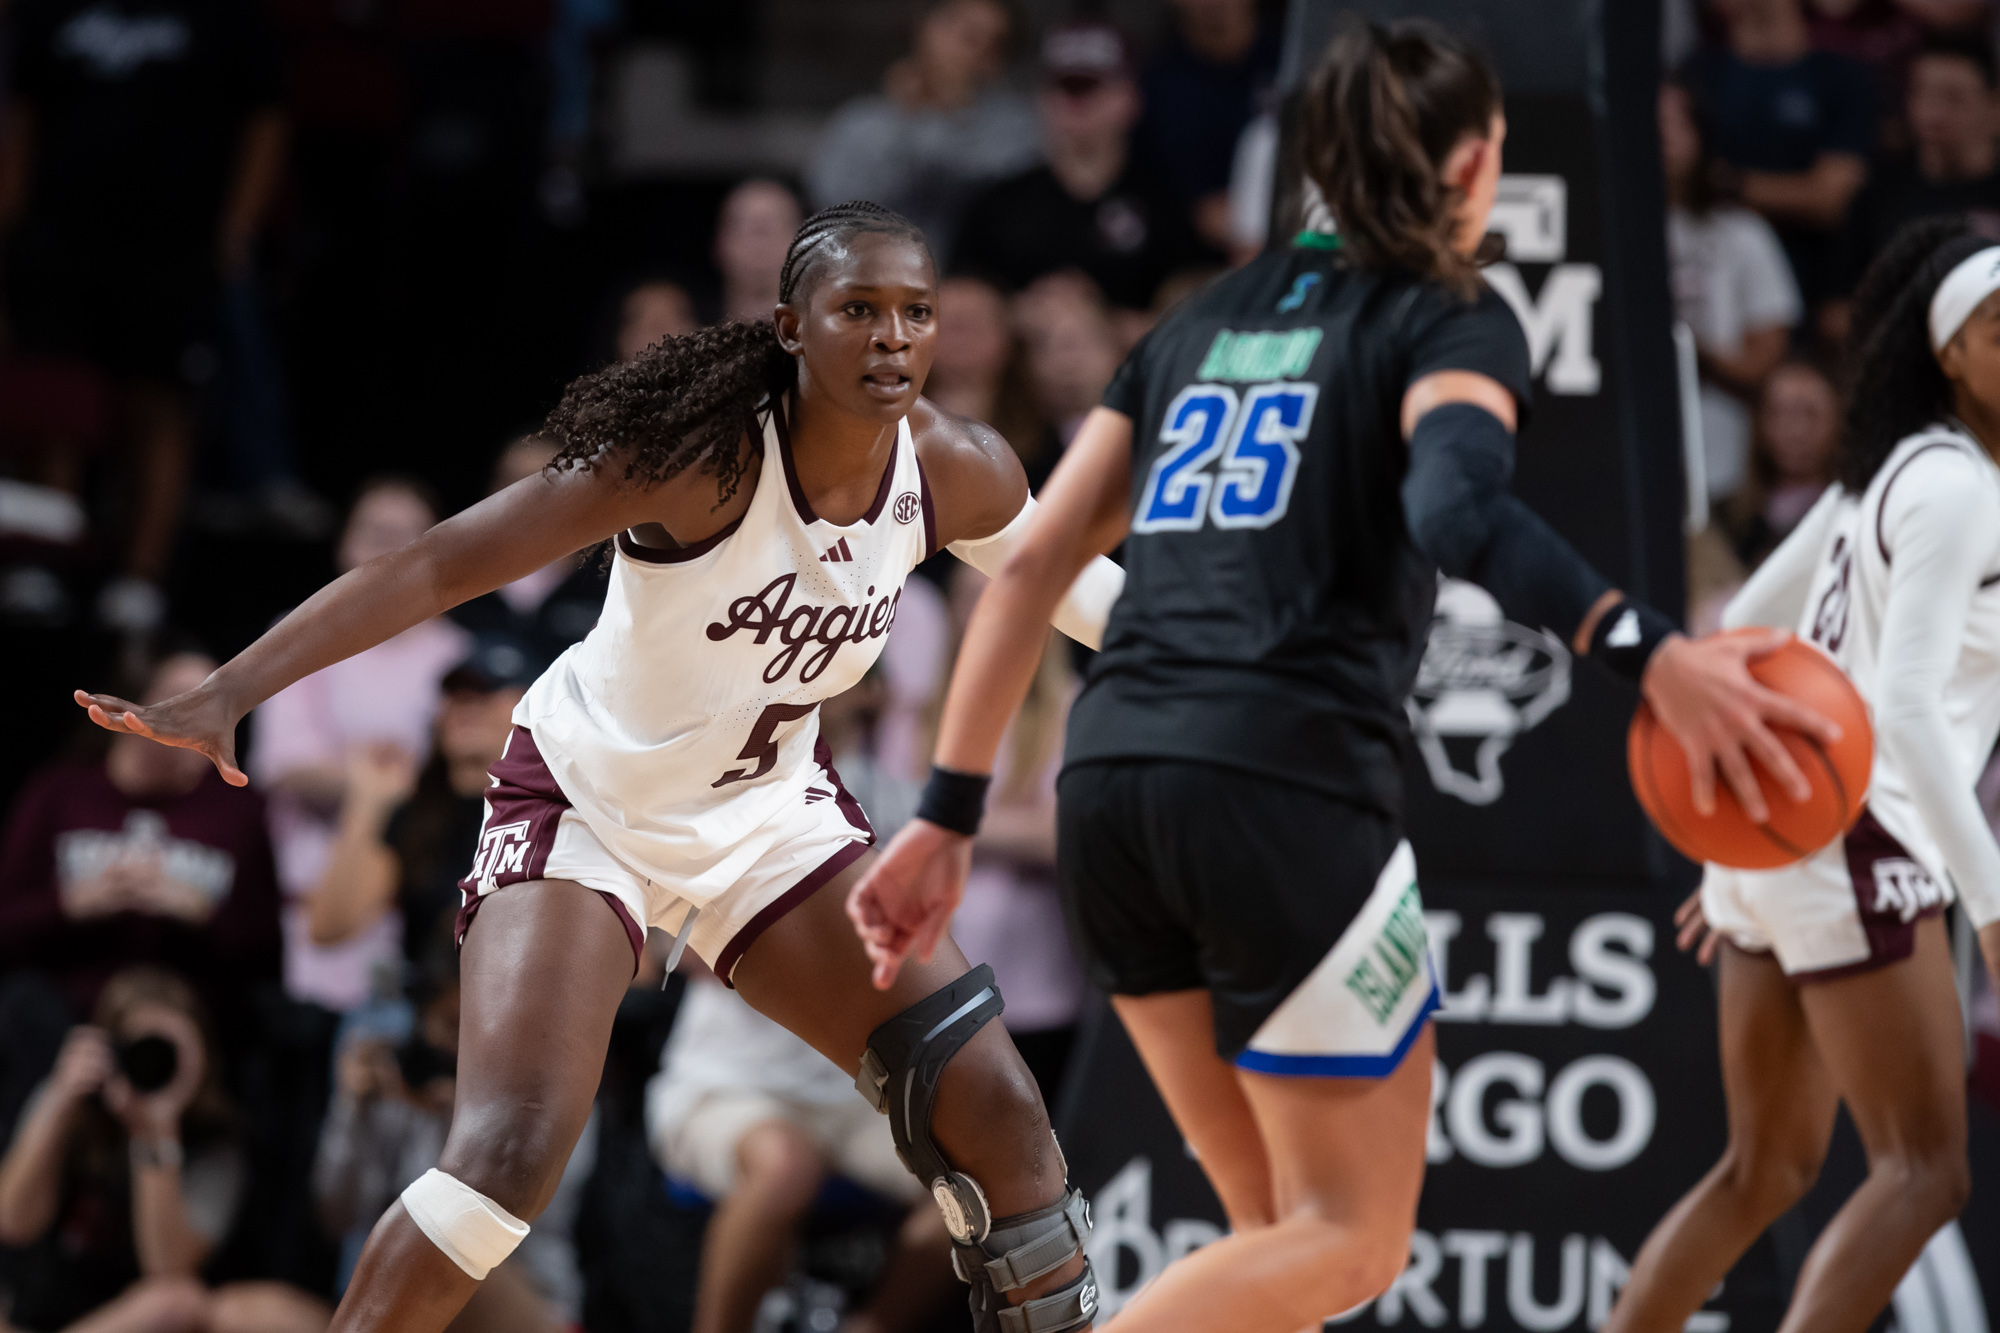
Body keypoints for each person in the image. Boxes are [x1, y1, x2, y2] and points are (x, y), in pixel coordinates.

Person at [848, 22, 1845, 1332]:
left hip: (1111, 793)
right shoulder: (1447, 311)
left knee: (1273, 1241)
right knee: (1349, 1243)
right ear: (1477, 161)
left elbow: (1028, 566)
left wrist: (946, 813)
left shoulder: (1199, 316)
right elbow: (1459, 513)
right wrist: (1654, 653)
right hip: (1282, 786)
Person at [75, 199, 1128, 1333]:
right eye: (857, 309)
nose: (891, 338)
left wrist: (1263, 688)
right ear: (787, 325)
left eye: (914, 313)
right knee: (506, 1156)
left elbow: (1096, 603)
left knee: (998, 1110)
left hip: (770, 820)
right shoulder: (692, 463)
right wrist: (233, 687)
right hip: (590, 807)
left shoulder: (956, 469)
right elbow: (435, 565)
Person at [1607, 215, 2000, 1333]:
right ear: (1944, 354)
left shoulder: (1874, 474)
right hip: (1864, 828)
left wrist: (1746, 823)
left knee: (1763, 1170)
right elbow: (1912, 715)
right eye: (1994, 323)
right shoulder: (1957, 487)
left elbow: (1744, 619)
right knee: (1926, 1170)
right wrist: (1989, 904)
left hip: (1795, 831)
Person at [0, 0, 287, 631]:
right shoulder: (54, 13)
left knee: (158, 408)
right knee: (56, 406)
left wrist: (237, 227)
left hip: (172, 249)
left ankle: (138, 581)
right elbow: (23, 113)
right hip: (59, 240)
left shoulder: (228, 17)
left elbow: (265, 116)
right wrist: (11, 222)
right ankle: (41, 565)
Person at [0, 966, 329, 1333]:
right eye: (140, 1048)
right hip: (36, 1311)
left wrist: (155, 1131)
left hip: (131, 1321)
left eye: (171, 1052)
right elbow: (13, 1222)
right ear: (110, 1049)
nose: (153, 1065)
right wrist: (58, 1098)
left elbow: (167, 1271)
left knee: (181, 1305)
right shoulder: (74, 1109)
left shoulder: (216, 1144)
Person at [251, 478, 469, 1014]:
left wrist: (360, 773)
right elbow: (284, 765)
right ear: (344, 542)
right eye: (373, 532)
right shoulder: (294, 636)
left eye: (405, 535)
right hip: (298, 895)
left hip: (418, 896)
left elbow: (467, 774)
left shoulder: (457, 654)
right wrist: (389, 779)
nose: (385, 549)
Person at [645, 963, 958, 1333]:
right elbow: (681, 954)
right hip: (731, 1083)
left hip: (862, 1094)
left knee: (973, 1183)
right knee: (785, 1168)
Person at [0, 652, 282, 1037]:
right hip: (66, 1014)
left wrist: (203, 915)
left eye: (216, 704)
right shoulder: (59, 793)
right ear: (136, 708)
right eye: (185, 700)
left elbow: (267, 950)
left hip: (197, 1019)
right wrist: (68, 906)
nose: (205, 718)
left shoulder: (237, 811)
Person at [314, 959, 586, 1333]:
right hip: (401, 1298)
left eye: (472, 1026)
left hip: (529, 1303)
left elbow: (524, 1227)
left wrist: (467, 1124)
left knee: (441, 1253)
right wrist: (352, 1113)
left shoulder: (554, 1089)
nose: (457, 1047)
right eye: (448, 1025)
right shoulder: (400, 1075)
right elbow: (338, 1218)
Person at [306, 635, 541, 967]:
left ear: (534, 708)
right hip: (430, 1006)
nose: (466, 707)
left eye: (485, 694)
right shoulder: (419, 813)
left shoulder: (556, 810)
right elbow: (328, 928)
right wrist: (367, 804)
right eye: (455, 697)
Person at [954, 22, 1202, 317]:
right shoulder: (996, 208)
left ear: (1130, 99)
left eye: (1089, 86)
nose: (1074, 101)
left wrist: (1099, 320)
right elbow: (959, 304)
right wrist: (1026, 313)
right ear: (1041, 99)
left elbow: (1195, 313)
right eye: (1062, 86)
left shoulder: (1168, 204)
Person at [804, 0, 1039, 257]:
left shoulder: (1017, 128)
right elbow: (834, 210)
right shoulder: (861, 121)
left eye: (980, 41)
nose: (958, 45)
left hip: (971, 287)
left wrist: (946, 110)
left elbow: (1002, 197)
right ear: (924, 27)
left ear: (996, 63)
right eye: (954, 24)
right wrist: (909, 118)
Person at [1678, 0, 1874, 309]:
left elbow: (1831, 200)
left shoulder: (1841, 77)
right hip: (1710, 282)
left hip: (1811, 281)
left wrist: (1730, 184)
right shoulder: (1697, 74)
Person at [1662, 80, 1804, 502]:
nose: (1663, 134)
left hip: (1719, 446)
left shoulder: (1742, 234)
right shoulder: (1606, 234)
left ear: (1702, 135)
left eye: (1675, 121)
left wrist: (1695, 353)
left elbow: (1768, 355)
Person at [1838, 32, 2000, 304]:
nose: (1932, 114)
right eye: (1920, 93)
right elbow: (1835, 310)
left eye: (1953, 98)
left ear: (1995, 106)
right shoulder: (1877, 192)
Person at [1132, 0, 1278, 254]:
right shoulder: (1154, 85)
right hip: (1194, 259)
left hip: (1298, 239)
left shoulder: (1301, 56)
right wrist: (1191, 213)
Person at [448, 438, 609, 664]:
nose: (527, 497)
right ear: (491, 491)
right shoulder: (454, 589)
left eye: (547, 481)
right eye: (514, 482)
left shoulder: (607, 585)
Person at [1723, 360, 1841, 566]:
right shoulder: (1728, 521)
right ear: (1759, 422)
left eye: (1810, 413)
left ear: (1838, 420)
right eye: (1781, 413)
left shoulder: (1854, 512)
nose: (1796, 431)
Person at [714, 180, 805, 326]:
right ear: (721, 243)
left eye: (778, 225)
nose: (761, 242)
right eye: (743, 225)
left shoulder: (832, 344)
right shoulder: (688, 343)